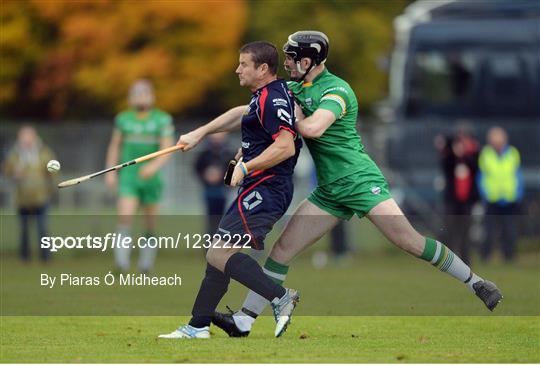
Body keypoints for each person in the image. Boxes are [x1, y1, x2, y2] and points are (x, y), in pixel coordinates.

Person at [211, 31, 503, 338]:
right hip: (330, 191)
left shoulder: (336, 90)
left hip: (360, 181)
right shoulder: (294, 88)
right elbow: (247, 112)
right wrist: (201, 133)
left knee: (410, 242)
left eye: (291, 59)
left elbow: (312, 128)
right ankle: (244, 320)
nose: (286, 64)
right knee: (282, 248)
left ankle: (477, 282)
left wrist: (291, 117)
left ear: (308, 61)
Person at [158, 41, 303, 339]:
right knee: (218, 256)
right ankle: (198, 326)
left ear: (262, 69)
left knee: (218, 252)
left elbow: (286, 146)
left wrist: (246, 167)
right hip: (260, 187)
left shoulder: (272, 98)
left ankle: (280, 297)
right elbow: (242, 114)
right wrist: (200, 133)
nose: (237, 69)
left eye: (243, 64)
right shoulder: (263, 96)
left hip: (266, 188)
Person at [105, 79, 174, 274]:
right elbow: (115, 146)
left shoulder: (162, 119)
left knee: (150, 222)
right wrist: (111, 171)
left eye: (144, 93)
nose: (140, 97)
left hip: (152, 178)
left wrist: (153, 166)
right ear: (130, 98)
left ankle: (146, 263)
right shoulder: (123, 119)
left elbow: (167, 149)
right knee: (124, 217)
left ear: (151, 96)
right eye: (136, 94)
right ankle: (122, 262)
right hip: (129, 177)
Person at [4, 125, 56, 262]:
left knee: (43, 229)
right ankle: (24, 258)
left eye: (28, 136)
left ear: (34, 137)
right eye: (23, 136)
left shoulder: (44, 152)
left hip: (41, 197)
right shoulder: (14, 155)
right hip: (22, 199)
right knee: (24, 230)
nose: (26, 139)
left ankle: (46, 257)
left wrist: (52, 173)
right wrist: (14, 174)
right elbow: (7, 171)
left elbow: (53, 170)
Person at [434, 123, 480, 265]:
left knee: (466, 231)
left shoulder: (472, 156)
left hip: (467, 200)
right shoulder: (449, 158)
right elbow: (445, 166)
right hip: (452, 200)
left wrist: (464, 156)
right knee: (451, 230)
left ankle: (466, 259)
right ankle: (449, 260)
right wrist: (453, 153)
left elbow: (476, 168)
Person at [478, 127, 522, 262]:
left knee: (510, 230)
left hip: (509, 199)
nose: (497, 143)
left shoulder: (513, 153)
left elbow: (517, 175)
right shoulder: (485, 154)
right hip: (492, 198)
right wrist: (484, 193)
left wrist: (518, 193)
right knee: (489, 230)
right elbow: (481, 176)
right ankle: (485, 257)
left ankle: (509, 257)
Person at [194, 132, 234, 236]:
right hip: (209, 191)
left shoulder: (229, 152)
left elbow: (233, 169)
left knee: (224, 219)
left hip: (224, 191)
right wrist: (206, 176)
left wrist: (222, 177)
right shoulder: (205, 153)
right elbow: (197, 168)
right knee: (211, 219)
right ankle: (209, 243)